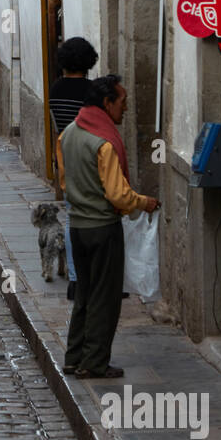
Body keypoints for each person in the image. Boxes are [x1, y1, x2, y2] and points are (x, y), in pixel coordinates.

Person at [60, 74, 159, 379]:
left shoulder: (68, 134)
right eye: (122, 101)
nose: (125, 108)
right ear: (106, 103)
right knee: (105, 298)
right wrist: (144, 202)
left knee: (85, 295)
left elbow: (64, 181)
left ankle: (74, 356)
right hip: (103, 228)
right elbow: (118, 194)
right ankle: (94, 362)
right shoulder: (103, 143)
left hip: (77, 226)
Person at [48, 36, 101, 297]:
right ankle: (94, 272)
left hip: (66, 159)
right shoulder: (92, 92)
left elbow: (57, 127)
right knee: (96, 218)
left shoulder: (55, 90)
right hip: (90, 160)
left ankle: (74, 277)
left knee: (72, 217)